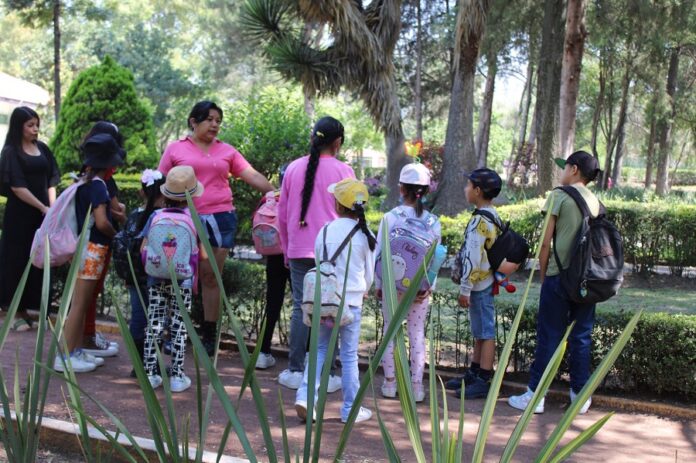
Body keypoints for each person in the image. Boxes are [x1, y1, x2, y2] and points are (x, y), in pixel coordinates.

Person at [158, 101, 273, 356]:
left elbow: (251, 175)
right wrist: (154, 216)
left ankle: (210, 337)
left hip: (221, 219)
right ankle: (173, 331)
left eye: (218, 120)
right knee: (178, 276)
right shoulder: (176, 149)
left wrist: (275, 192)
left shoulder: (227, 151)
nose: (215, 125)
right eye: (209, 119)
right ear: (193, 121)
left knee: (211, 278)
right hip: (183, 218)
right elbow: (158, 181)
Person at [508, 150, 600, 415]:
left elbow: (545, 242)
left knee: (549, 335)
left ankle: (535, 396)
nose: (561, 171)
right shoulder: (595, 201)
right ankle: (580, 397)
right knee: (581, 336)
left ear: (573, 170)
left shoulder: (559, 195)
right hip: (587, 280)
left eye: (565, 166)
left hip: (559, 277)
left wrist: (543, 272)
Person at [277, 116, 355, 391]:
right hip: (335, 251)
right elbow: (355, 214)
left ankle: (295, 369)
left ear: (314, 138)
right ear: (337, 142)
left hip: (299, 248)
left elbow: (282, 214)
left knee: (302, 307)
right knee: (332, 309)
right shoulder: (345, 171)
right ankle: (328, 374)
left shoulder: (293, 169)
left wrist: (287, 249)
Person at [294, 178, 375, 424]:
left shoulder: (326, 231)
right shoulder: (366, 235)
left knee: (318, 350)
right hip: (351, 304)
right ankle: (350, 409)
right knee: (349, 356)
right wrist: (364, 290)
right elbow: (370, 274)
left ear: (338, 205)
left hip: (324, 302)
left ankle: (306, 398)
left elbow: (320, 263)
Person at [54, 133, 123, 373]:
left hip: (82, 247)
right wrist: (117, 235)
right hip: (93, 249)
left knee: (79, 303)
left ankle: (74, 351)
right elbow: (102, 222)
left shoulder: (84, 182)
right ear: (110, 165)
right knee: (80, 304)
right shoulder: (98, 187)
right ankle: (64, 355)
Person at [376, 163, 441, 403]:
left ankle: (390, 383)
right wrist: (428, 287)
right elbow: (435, 258)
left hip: (393, 287)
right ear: (425, 190)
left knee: (390, 332)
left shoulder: (389, 218)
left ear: (401, 188)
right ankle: (416, 387)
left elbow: (380, 253)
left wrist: (379, 284)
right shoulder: (434, 222)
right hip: (419, 290)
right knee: (416, 334)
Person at [140, 166, 205, 392]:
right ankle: (177, 376)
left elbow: (143, 248)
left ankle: (150, 373)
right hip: (182, 281)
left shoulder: (155, 216)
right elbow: (202, 255)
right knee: (179, 326)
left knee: (154, 324)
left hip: (155, 279)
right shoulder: (194, 221)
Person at [0, 106, 60, 331]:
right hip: (20, 218)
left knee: (40, 261)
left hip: (43, 217)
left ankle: (33, 310)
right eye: (30, 125)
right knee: (17, 261)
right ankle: (16, 312)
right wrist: (43, 207)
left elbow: (51, 179)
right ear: (19, 127)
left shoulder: (42, 148)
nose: (35, 129)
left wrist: (52, 209)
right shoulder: (10, 153)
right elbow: (17, 187)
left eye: (37, 124)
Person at [448, 168, 503, 400]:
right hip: (486, 281)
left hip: (479, 284)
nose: (466, 189)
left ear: (478, 191)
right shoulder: (492, 215)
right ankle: (476, 370)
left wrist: (465, 288)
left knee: (486, 331)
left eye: (469, 185)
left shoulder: (479, 221)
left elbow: (472, 257)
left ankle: (484, 378)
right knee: (480, 330)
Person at [112, 168, 166, 376]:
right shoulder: (162, 217)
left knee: (138, 318)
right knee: (158, 319)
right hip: (157, 277)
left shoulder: (134, 215)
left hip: (135, 277)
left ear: (142, 192)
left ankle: (138, 365)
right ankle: (153, 364)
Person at [80, 122, 127, 358]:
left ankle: (83, 340)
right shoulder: (100, 183)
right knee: (86, 295)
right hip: (96, 245)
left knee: (86, 295)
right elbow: (106, 218)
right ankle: (83, 340)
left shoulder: (88, 177)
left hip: (89, 244)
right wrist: (116, 230)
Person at [256, 164, 291, 370]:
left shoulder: (269, 199)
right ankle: (305, 353)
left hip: (273, 257)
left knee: (272, 303)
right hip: (295, 256)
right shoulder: (299, 200)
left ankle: (262, 352)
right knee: (303, 305)